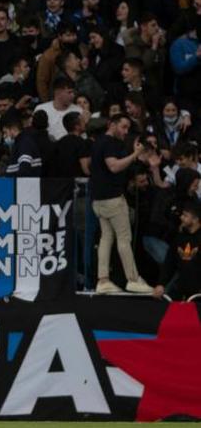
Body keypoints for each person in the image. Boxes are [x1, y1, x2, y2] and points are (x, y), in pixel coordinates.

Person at [89, 114, 153, 295]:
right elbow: (114, 166)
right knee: (124, 239)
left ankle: (103, 280)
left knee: (106, 238)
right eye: (123, 127)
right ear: (112, 124)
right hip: (112, 199)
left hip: (99, 200)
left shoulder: (99, 142)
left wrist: (133, 154)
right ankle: (133, 279)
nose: (126, 132)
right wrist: (135, 154)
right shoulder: (109, 143)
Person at [154, 201, 201, 301]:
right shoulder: (179, 237)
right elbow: (169, 263)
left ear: (196, 219)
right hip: (180, 290)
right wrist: (161, 284)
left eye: (185, 215)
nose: (181, 218)